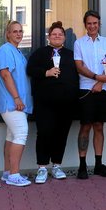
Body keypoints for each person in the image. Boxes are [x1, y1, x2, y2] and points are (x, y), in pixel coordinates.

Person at [26, 21, 79, 184]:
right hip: (45, 102)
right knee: (44, 133)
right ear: (49, 37)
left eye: (60, 34)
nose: (57, 36)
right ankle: (42, 167)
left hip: (66, 103)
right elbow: (30, 70)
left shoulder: (71, 54)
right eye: (54, 34)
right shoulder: (40, 53)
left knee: (61, 134)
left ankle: (56, 165)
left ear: (64, 37)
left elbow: (78, 74)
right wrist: (46, 72)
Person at [73, 10, 106, 178]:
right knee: (85, 126)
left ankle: (98, 164)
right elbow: (79, 66)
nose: (92, 26)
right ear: (85, 25)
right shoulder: (79, 43)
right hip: (86, 90)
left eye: (95, 23)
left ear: (99, 24)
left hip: (104, 89)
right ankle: (82, 166)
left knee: (99, 126)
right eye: (89, 23)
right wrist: (96, 78)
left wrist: (100, 82)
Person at [0, 20, 33, 187]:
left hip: (18, 103)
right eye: (15, 31)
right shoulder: (5, 50)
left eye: (20, 31)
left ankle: (7, 172)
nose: (18, 34)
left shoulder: (17, 52)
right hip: (11, 102)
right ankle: (14, 174)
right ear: (8, 34)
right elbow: (5, 74)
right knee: (21, 133)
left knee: (12, 135)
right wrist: (17, 98)